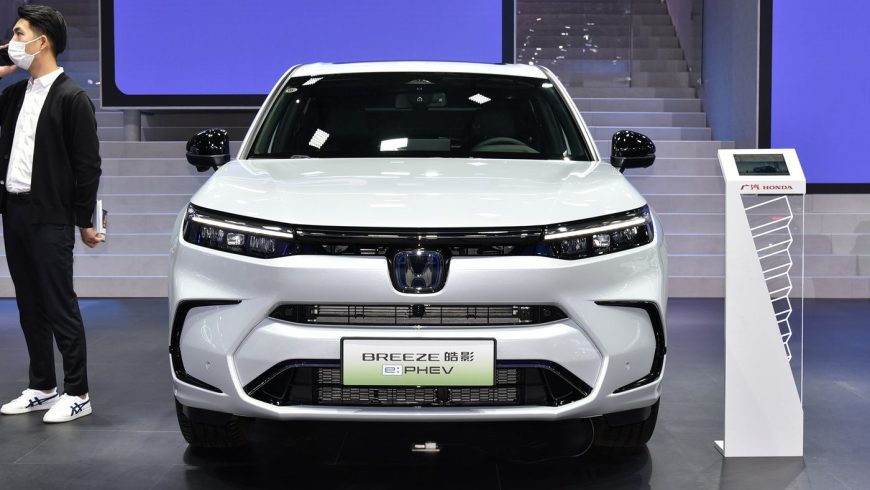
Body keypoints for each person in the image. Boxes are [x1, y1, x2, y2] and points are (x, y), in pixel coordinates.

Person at [0, 4, 103, 423]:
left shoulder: (71, 97)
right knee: (28, 303)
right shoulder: (14, 95)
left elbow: (87, 166)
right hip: (14, 210)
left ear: (42, 42)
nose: (11, 42)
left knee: (59, 303)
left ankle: (78, 392)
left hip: (51, 213)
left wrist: (85, 221)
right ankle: (42, 387)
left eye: (18, 34)